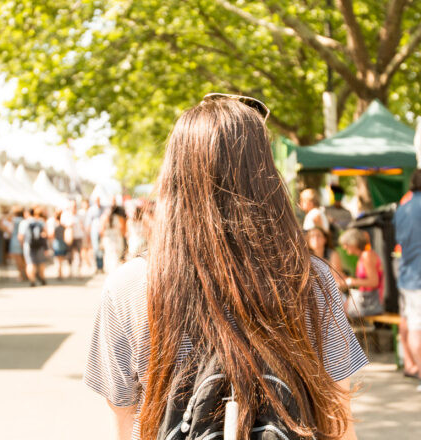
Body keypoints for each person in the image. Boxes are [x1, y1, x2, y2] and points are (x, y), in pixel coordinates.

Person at [84, 95, 367, 440]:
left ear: (175, 175)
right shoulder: (309, 278)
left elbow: (125, 422)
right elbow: (339, 421)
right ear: (265, 176)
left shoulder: (129, 286)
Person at [394, 169, 421, 391]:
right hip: (418, 276)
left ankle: (410, 364)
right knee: (416, 327)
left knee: (409, 321)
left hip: (406, 273)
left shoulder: (402, 209)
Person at [339, 228, 384, 317]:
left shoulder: (367, 256)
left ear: (354, 243)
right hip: (366, 299)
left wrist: (352, 281)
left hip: (372, 301)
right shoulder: (362, 257)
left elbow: (374, 282)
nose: (344, 247)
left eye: (346, 244)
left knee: (337, 309)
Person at [19, 206, 47, 287]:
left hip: (28, 245)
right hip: (40, 245)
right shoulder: (40, 221)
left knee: (30, 263)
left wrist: (22, 245)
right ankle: (42, 278)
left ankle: (32, 280)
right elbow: (45, 233)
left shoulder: (24, 222)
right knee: (41, 262)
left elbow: (21, 236)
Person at [61, 200, 85, 277]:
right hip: (69, 237)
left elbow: (84, 225)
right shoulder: (65, 214)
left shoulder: (80, 214)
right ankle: (70, 270)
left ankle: (79, 271)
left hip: (78, 236)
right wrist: (69, 225)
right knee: (69, 254)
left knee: (79, 254)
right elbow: (62, 223)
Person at [100, 204, 125, 274]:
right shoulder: (116, 218)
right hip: (113, 238)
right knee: (114, 254)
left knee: (108, 254)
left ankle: (109, 270)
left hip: (108, 238)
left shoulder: (104, 217)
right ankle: (113, 270)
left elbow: (101, 230)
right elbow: (120, 228)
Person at [8, 206, 27, 281]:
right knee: (24, 259)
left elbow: (10, 229)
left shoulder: (13, 220)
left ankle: (21, 275)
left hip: (15, 240)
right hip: (23, 240)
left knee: (18, 260)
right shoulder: (24, 220)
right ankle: (25, 274)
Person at [86, 196, 105, 273]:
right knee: (96, 249)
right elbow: (88, 222)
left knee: (101, 248)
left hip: (101, 231)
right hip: (94, 231)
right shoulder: (91, 210)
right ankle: (97, 266)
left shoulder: (102, 209)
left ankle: (101, 266)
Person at [48, 210, 69, 280]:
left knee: (58, 260)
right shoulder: (63, 226)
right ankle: (61, 273)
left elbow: (52, 235)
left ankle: (59, 273)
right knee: (61, 260)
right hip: (62, 243)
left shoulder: (55, 226)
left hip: (57, 243)